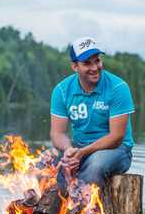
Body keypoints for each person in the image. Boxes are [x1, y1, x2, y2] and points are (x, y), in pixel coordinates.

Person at [50, 36, 135, 195]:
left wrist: (82, 153)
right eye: (87, 63)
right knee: (49, 164)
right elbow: (57, 133)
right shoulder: (61, 90)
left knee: (94, 167)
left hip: (117, 149)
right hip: (79, 147)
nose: (95, 67)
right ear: (74, 66)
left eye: (97, 61)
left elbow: (116, 137)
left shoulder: (118, 87)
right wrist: (69, 150)